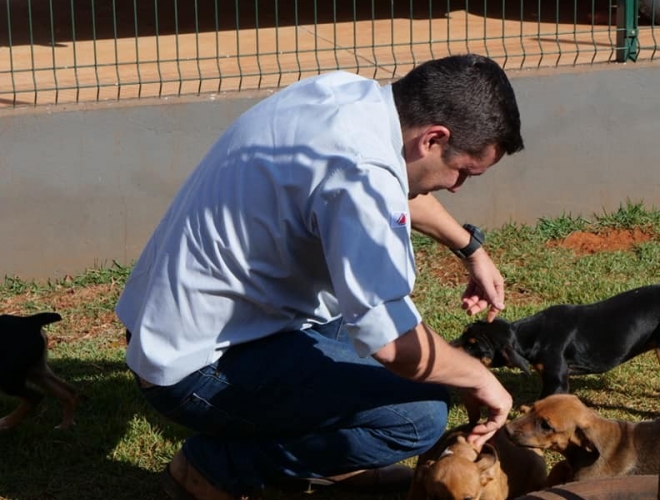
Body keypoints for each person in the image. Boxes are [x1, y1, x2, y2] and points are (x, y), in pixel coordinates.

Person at [116, 53, 524, 500]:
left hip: (204, 322)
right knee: (418, 413)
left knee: (394, 366)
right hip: (196, 365)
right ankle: (213, 468)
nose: (458, 186)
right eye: (463, 170)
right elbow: (391, 340)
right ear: (432, 139)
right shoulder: (359, 170)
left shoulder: (347, 96)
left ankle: (323, 459)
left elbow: (393, 183)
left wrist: (470, 249)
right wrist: (477, 377)